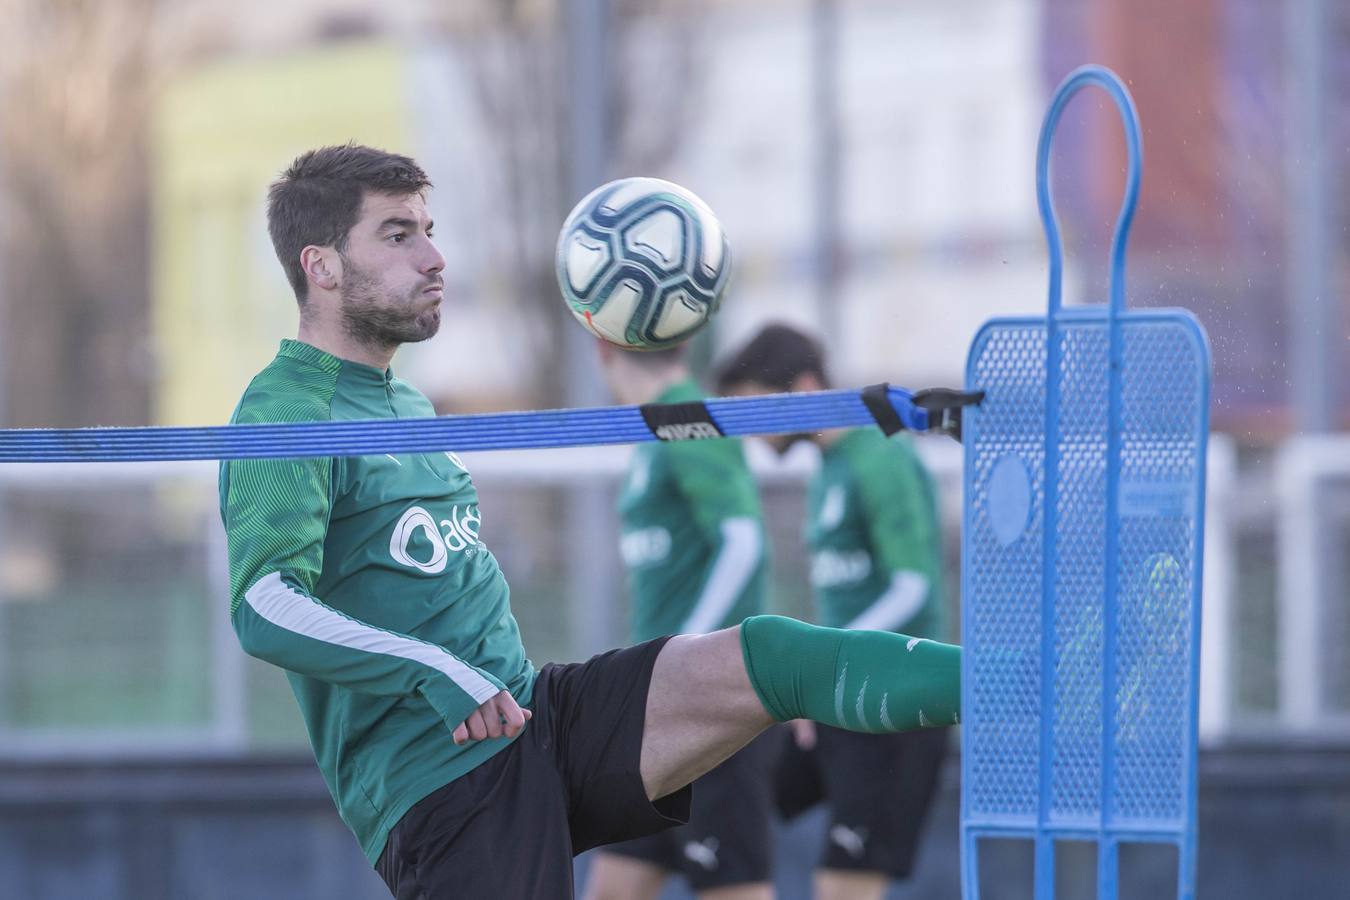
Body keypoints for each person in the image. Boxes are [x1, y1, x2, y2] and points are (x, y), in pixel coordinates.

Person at [218, 143, 960, 899]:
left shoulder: (406, 402)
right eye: (398, 235)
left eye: (429, 229)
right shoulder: (285, 410)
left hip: (536, 715)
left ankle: (1016, 683)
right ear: (322, 266)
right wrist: (437, 672)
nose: (435, 257)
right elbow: (262, 605)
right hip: (440, 781)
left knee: (764, 654)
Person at [717, 323, 952, 900]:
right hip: (839, 701)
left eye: (757, 408)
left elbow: (913, 587)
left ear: (803, 386)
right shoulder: (828, 469)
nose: (752, 429)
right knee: (721, 798)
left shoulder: (880, 457)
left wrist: (820, 667)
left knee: (844, 884)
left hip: (893, 703)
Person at [585, 342, 775, 900]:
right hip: (656, 707)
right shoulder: (658, 426)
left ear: (601, 346)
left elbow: (743, 540)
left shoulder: (686, 414)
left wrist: (682, 652)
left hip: (712, 702)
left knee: (735, 887)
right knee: (615, 887)